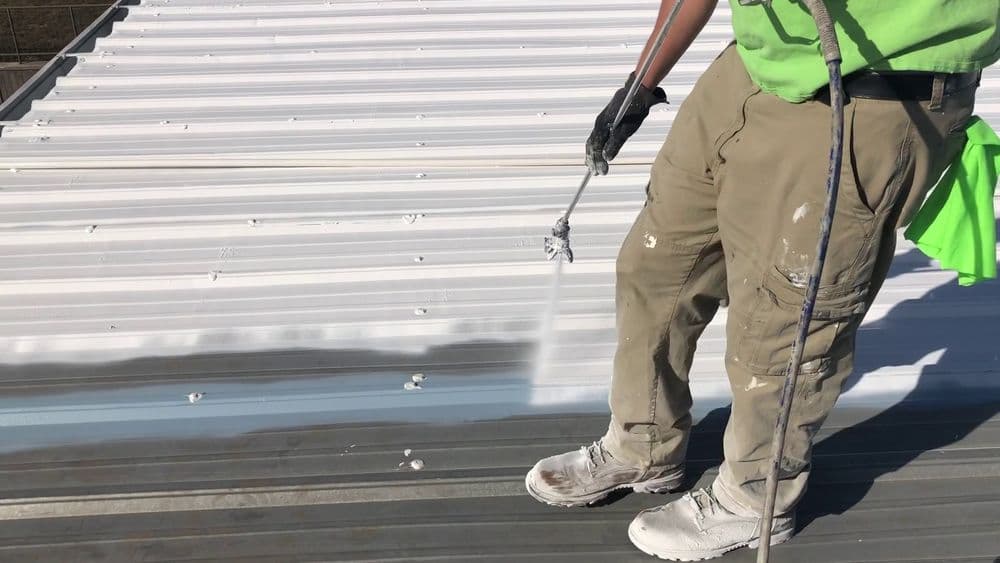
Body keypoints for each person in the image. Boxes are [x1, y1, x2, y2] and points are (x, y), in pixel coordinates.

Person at [524, 0, 999, 560]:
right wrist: (642, 81)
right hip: (758, 64)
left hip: (874, 90)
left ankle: (753, 500)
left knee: (786, 317)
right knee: (657, 265)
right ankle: (644, 442)